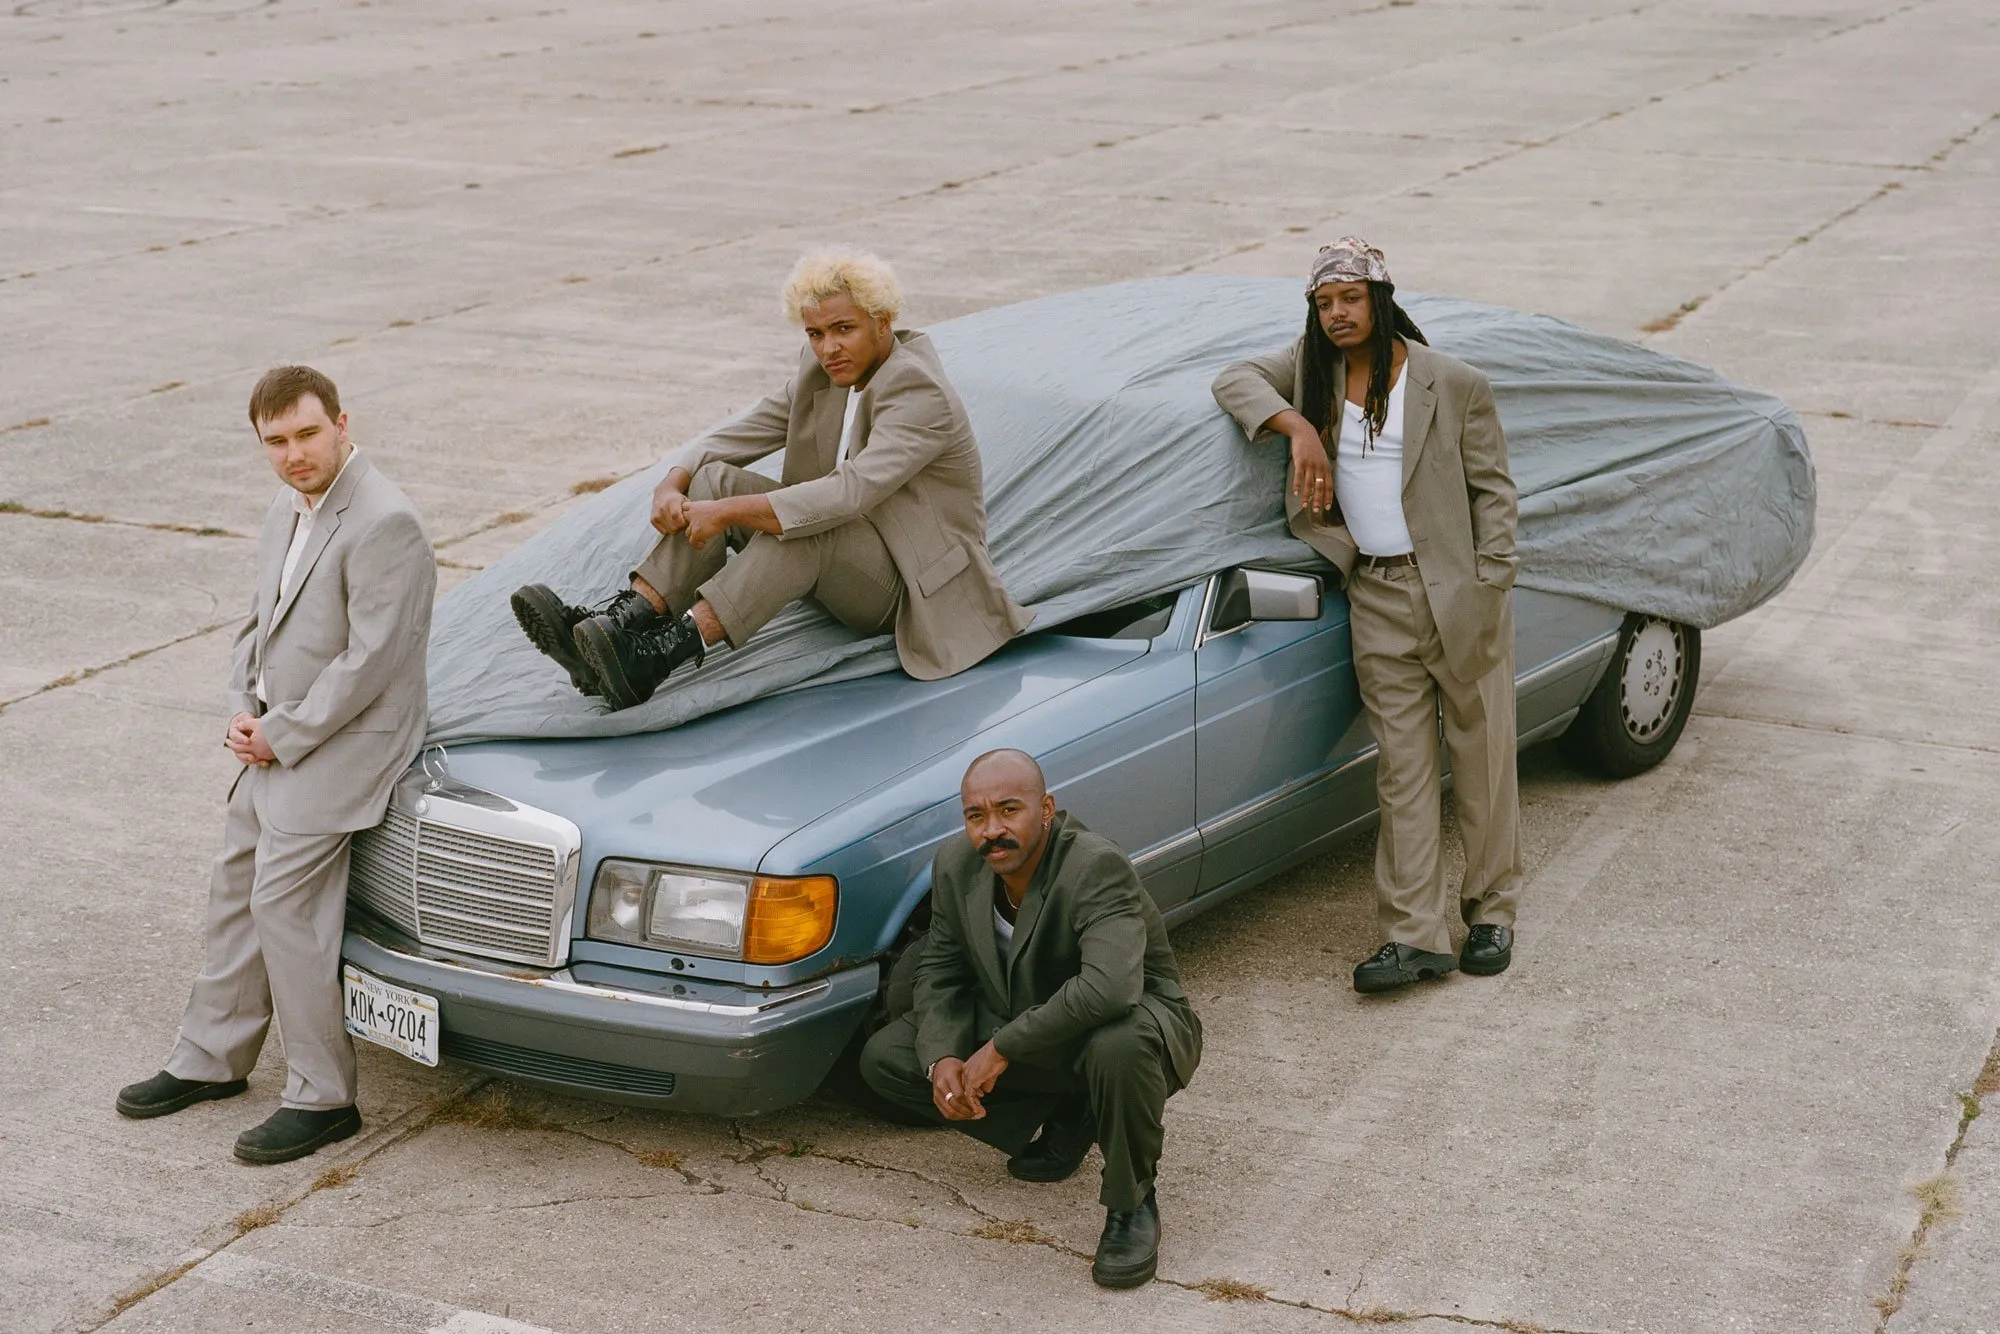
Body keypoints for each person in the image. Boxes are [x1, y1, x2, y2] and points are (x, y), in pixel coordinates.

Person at [116, 367, 435, 1163]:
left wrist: (281, 734)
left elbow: (371, 664)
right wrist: (243, 707)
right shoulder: (285, 508)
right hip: (277, 735)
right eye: (277, 441)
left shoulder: (385, 521)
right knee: (234, 888)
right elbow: (257, 626)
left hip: (347, 742)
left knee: (283, 907)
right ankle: (212, 1059)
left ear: (342, 424)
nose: (294, 454)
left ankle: (323, 1097)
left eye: (307, 434)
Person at [510, 250, 1029, 710]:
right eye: (815, 334)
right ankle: (621, 630)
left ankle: (659, 656)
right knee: (714, 479)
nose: (828, 348)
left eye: (843, 329)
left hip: (912, 589)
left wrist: (727, 514)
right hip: (849, 561)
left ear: (883, 321)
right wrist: (675, 480)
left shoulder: (918, 390)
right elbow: (745, 430)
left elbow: (848, 493)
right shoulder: (823, 370)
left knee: (807, 530)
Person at [1212, 238, 1522, 994]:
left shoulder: (1452, 382)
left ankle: (1492, 913)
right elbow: (1233, 379)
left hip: (1459, 594)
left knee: (1482, 760)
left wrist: (1489, 588)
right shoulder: (1311, 370)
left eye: (1350, 299)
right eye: (1323, 303)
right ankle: (1415, 935)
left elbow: (1495, 496)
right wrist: (1299, 428)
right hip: (1376, 595)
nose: (1337, 314)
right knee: (1402, 772)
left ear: (1380, 301)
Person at [860, 750, 1201, 1289]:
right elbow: (941, 968)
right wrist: (943, 1058)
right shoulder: (955, 864)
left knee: (1118, 1048)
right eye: (976, 815)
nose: (991, 830)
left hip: (1131, 1021)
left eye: (1008, 810)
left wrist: (1000, 1049)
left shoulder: (1094, 866)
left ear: (1045, 810)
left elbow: (1109, 990)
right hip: (1031, 1020)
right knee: (889, 1058)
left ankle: (1132, 1203)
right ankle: (1075, 1109)